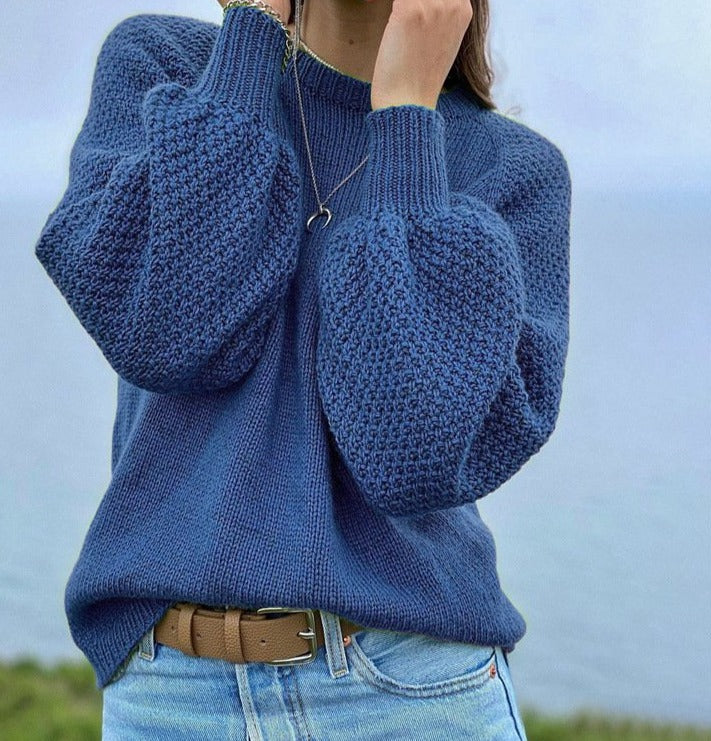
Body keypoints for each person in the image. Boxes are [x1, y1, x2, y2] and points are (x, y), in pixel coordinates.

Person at [33, 0, 571, 737]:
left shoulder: (511, 170)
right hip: (174, 699)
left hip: (411, 692)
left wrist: (407, 123)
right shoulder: (163, 68)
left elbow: (404, 452)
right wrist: (252, 35)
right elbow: (168, 333)